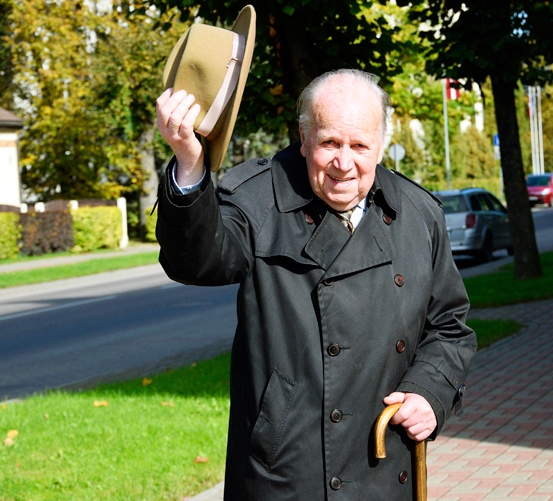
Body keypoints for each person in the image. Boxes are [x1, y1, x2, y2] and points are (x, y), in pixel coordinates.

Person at [155, 69, 476, 500]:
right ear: (304, 138)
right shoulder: (257, 198)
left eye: (360, 146)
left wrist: (428, 392)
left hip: (383, 462)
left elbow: (449, 326)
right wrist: (191, 163)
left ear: (380, 144)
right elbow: (196, 261)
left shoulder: (418, 213)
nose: (344, 164)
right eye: (330, 144)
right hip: (286, 467)